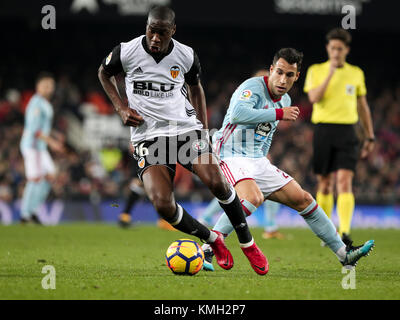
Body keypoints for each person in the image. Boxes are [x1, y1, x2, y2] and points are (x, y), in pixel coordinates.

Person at [98, 5, 268, 275]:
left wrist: (202, 128)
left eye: (162, 33)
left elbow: (196, 88)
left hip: (184, 129)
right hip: (148, 135)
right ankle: (212, 239)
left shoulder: (186, 55)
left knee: (217, 182)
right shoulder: (126, 51)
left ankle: (248, 244)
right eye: (152, 31)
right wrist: (120, 107)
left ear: (172, 31)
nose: (155, 38)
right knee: (163, 205)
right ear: (147, 27)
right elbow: (103, 73)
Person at [201, 48, 374, 272]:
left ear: (296, 76)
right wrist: (279, 114)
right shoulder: (251, 87)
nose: (283, 80)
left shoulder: (286, 99)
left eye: (289, 75)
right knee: (253, 197)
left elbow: (267, 133)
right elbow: (238, 115)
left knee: (302, 198)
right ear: (272, 70)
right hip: (229, 153)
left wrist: (264, 160)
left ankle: (344, 254)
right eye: (279, 72)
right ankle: (209, 247)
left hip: (257, 159)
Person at [303, 28, 375, 245]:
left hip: (348, 131)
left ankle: (344, 231)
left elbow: (362, 106)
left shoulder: (356, 73)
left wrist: (369, 136)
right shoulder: (317, 70)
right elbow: (314, 97)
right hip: (323, 129)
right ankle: (327, 232)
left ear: (346, 50)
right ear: (328, 48)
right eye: (333, 48)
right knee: (324, 184)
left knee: (344, 181)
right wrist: (331, 73)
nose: (336, 52)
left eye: (340, 49)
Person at [19, 72, 64, 224]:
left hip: (40, 146)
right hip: (33, 146)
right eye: (46, 85)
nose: (49, 88)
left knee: (50, 175)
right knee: (35, 178)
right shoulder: (36, 103)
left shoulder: (45, 103)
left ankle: (33, 211)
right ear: (38, 86)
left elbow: (44, 127)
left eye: (51, 86)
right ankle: (26, 214)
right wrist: (52, 142)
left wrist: (55, 135)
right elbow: (35, 129)